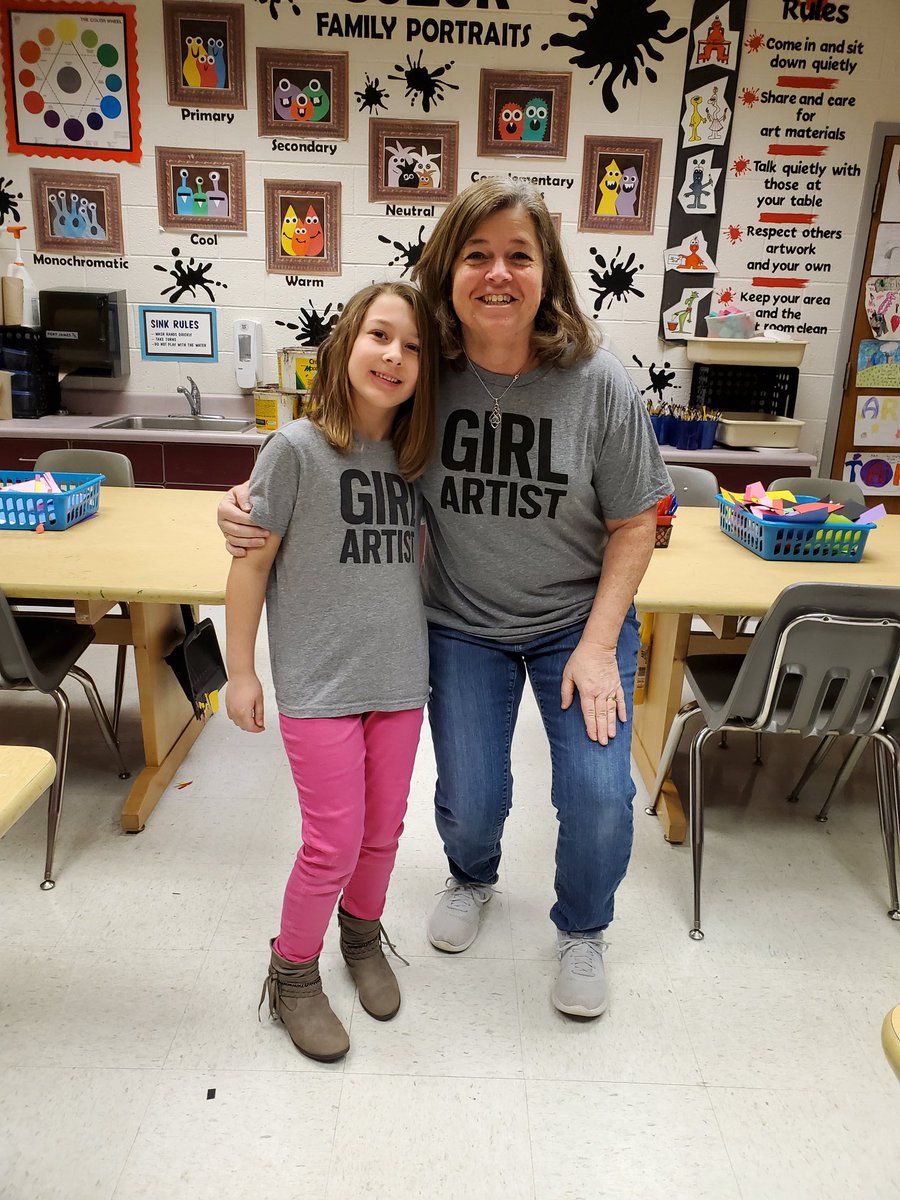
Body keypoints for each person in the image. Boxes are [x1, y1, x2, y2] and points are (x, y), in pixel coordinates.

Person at [219, 178, 671, 1021]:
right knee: (470, 794)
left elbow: (637, 521)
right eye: (476, 254)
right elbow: (334, 448)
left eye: (519, 256)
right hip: (461, 622)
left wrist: (600, 642)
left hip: (578, 622)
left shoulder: (598, 381)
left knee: (600, 793)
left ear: (549, 274)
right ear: (447, 271)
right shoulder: (429, 372)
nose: (497, 273)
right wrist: (244, 505)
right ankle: (472, 877)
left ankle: (582, 929)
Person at [224, 281, 437, 1062]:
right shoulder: (293, 451)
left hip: (399, 680)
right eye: (381, 336)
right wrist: (239, 670)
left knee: (383, 832)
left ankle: (361, 935)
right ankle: (293, 974)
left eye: (413, 347)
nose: (395, 356)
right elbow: (250, 567)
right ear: (346, 343)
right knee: (333, 841)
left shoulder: (419, 455)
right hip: (318, 685)